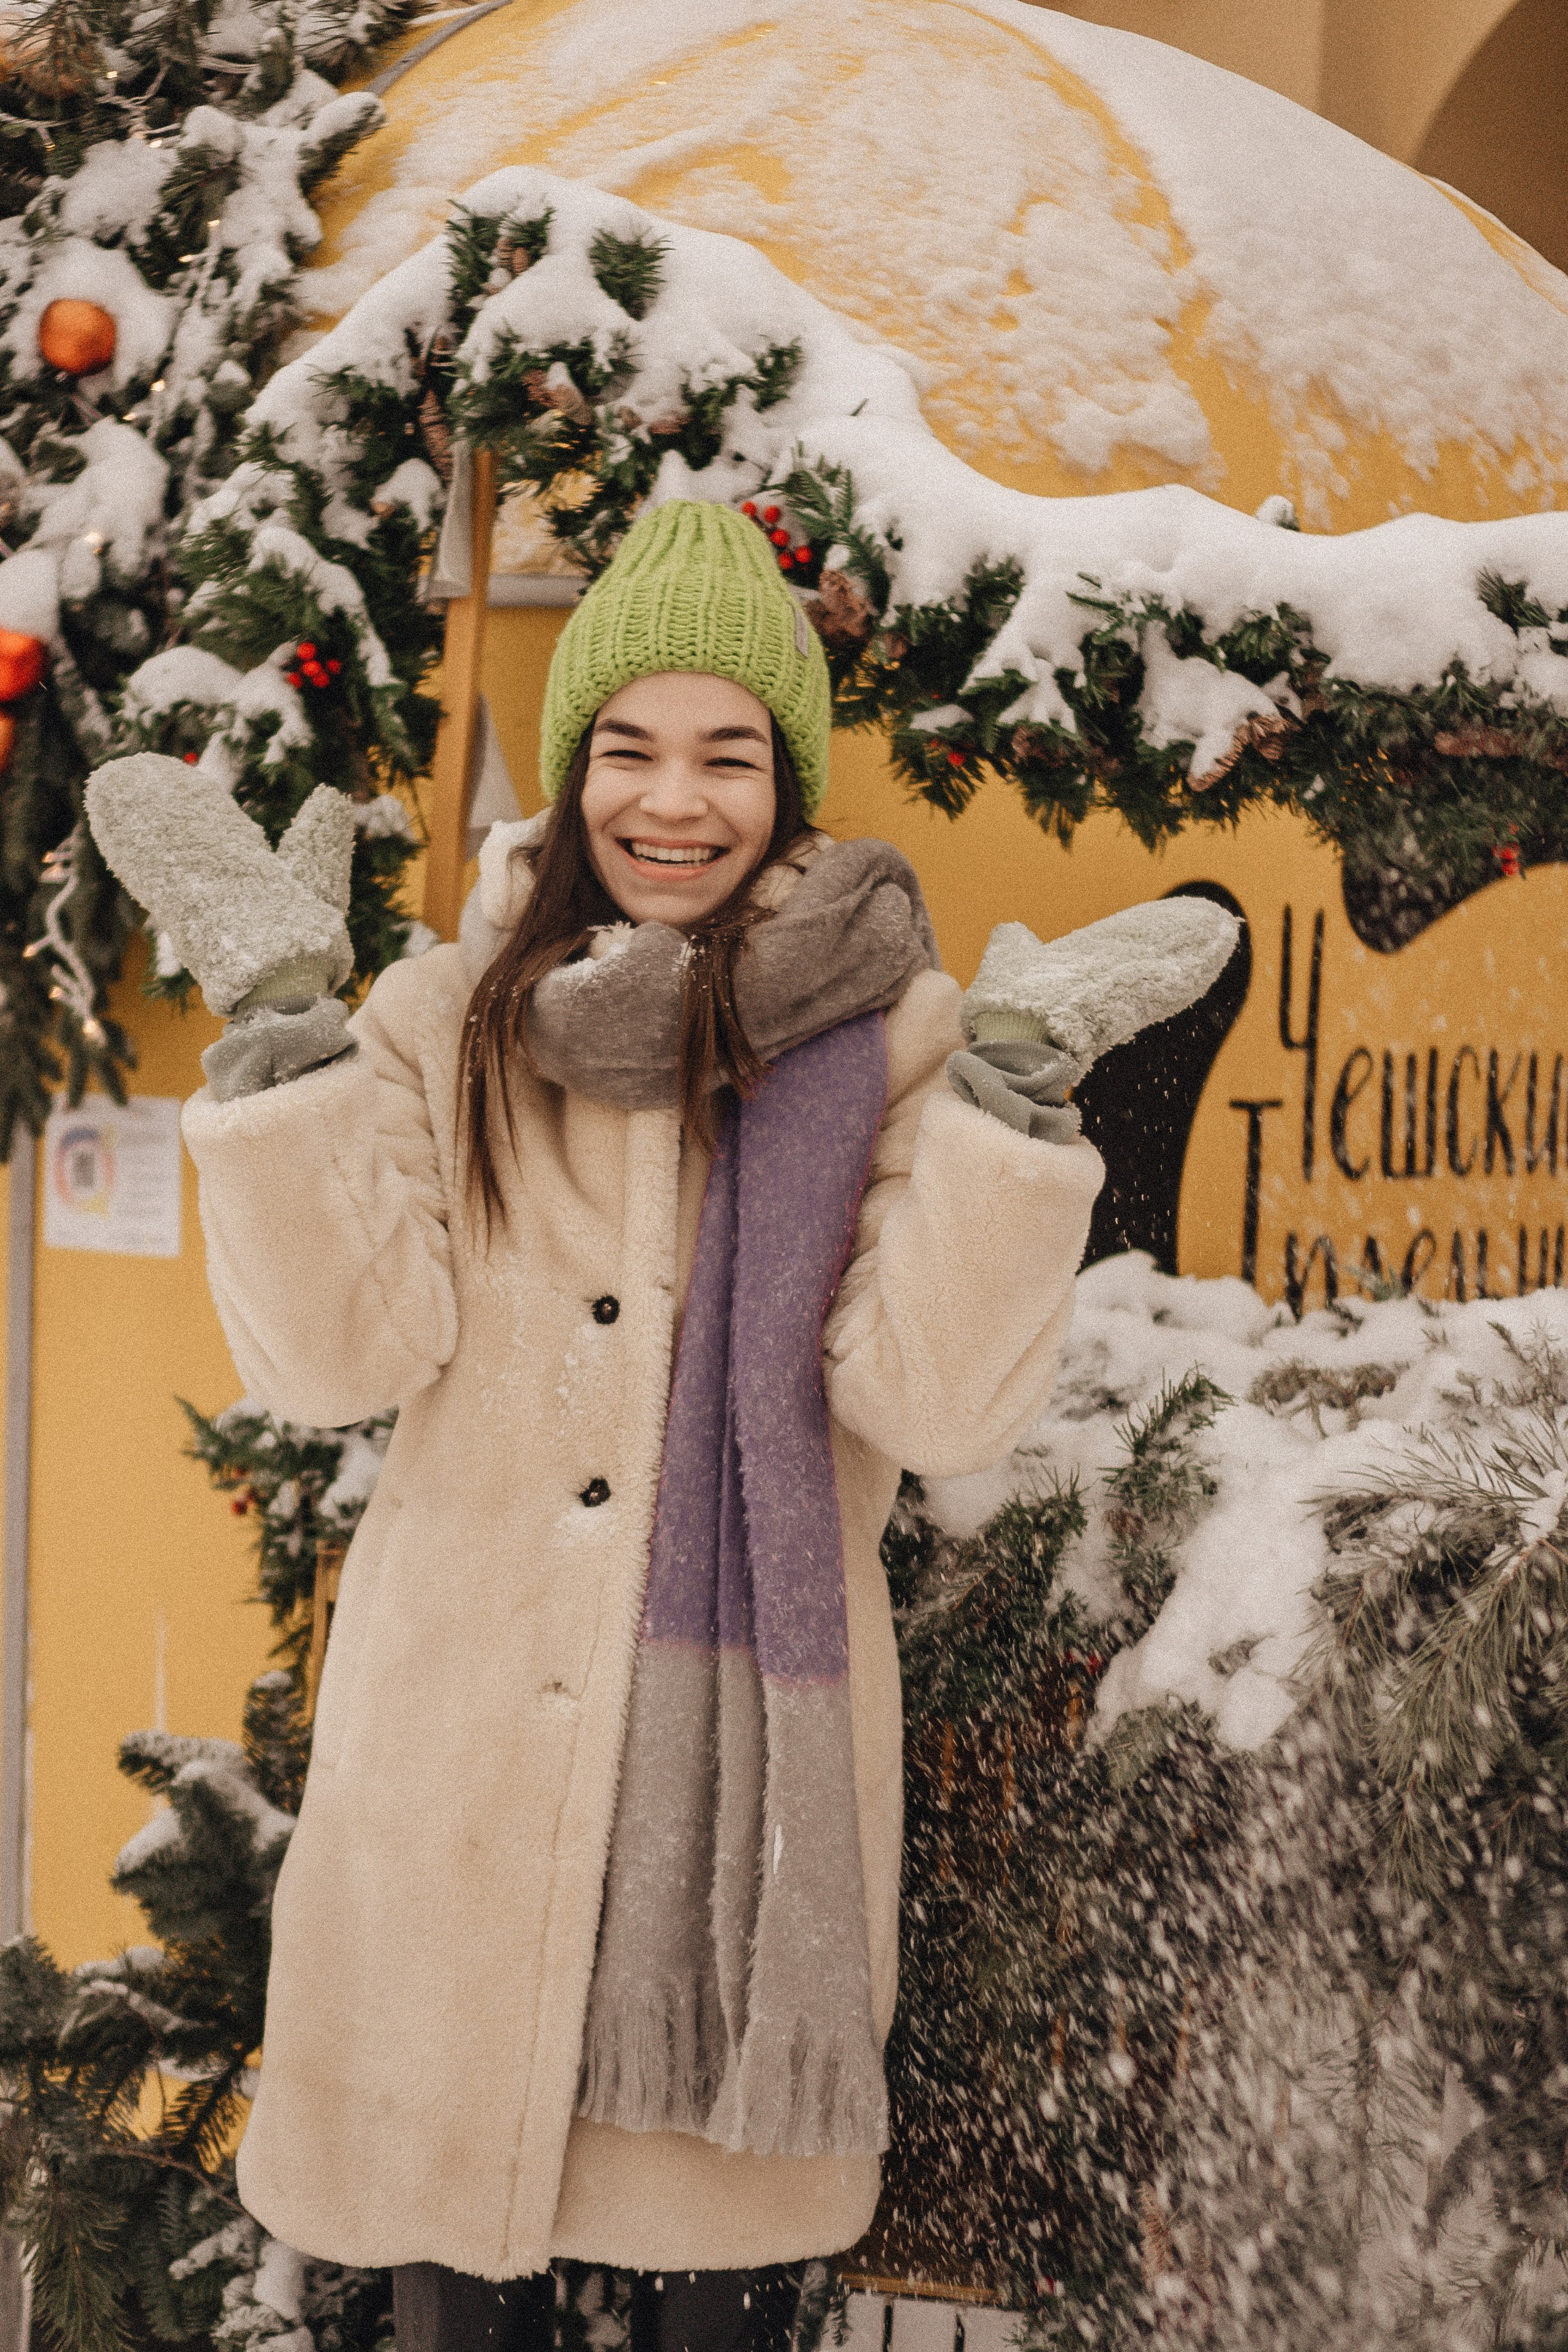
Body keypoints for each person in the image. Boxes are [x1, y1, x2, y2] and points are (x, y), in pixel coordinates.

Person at [86, 500, 1235, 2352]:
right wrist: (290, 1052)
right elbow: (337, 1356)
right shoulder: (451, 1015)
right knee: (455, 2297)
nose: (672, 802)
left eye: (727, 755)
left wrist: (1012, 1114)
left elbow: (930, 1405)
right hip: (458, 1777)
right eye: (627, 749)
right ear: (574, 770)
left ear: (787, 783)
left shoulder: (894, 1043)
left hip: (738, 1809)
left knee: (719, 2307)